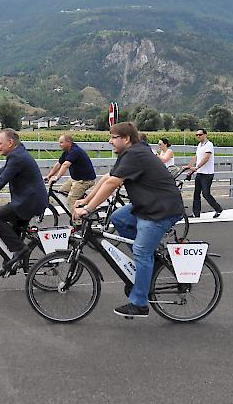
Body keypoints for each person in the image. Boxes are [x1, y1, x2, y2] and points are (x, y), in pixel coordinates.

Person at [73, 122, 184, 318]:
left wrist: (89, 209)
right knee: (119, 218)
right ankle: (150, 260)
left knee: (141, 251)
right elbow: (108, 178)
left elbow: (114, 184)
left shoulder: (135, 154)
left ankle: (140, 303)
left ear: (126, 139)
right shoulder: (130, 153)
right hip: (148, 204)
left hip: (162, 209)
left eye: (113, 137)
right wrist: (86, 199)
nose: (109, 141)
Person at [0, 128, 48, 276]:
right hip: (29, 199)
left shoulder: (18, 157)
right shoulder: (16, 154)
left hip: (29, 202)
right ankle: (11, 264)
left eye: (0, 143)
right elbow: (0, 174)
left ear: (10, 143)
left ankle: (21, 251)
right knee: (13, 233)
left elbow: (1, 181)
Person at [44, 134, 96, 216]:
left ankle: (78, 222)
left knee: (71, 200)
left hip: (84, 180)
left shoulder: (75, 151)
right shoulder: (67, 151)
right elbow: (58, 164)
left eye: (61, 142)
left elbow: (65, 165)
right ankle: (80, 205)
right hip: (75, 179)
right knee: (61, 192)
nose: (59, 145)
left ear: (68, 142)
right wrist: (49, 176)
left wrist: (57, 178)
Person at [183, 129, 223, 218]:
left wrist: (197, 167)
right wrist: (189, 166)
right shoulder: (199, 145)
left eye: (200, 135)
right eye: (196, 135)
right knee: (196, 193)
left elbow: (206, 158)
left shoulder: (209, 145)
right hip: (200, 173)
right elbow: (196, 157)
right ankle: (196, 213)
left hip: (207, 174)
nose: (198, 136)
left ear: (205, 135)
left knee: (205, 193)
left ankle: (218, 208)